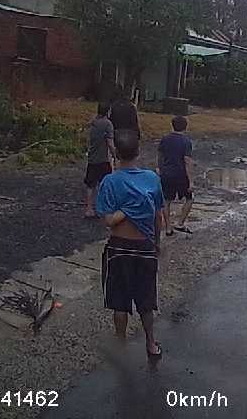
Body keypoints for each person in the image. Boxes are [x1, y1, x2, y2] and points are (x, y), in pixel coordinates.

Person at [96, 130, 165, 359]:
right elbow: (157, 216)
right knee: (146, 301)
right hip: (144, 246)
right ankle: (151, 343)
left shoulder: (110, 181)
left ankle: (120, 344)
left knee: (119, 301)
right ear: (138, 152)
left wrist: (125, 210)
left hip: (118, 248)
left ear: (116, 153)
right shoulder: (151, 178)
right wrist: (156, 243)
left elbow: (108, 220)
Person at [158, 116, 196, 235]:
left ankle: (168, 227)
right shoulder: (186, 141)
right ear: (185, 127)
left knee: (166, 200)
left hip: (166, 173)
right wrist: (191, 181)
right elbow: (187, 161)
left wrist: (160, 169)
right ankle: (180, 223)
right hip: (181, 175)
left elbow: (160, 156)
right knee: (189, 198)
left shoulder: (165, 139)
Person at [84, 103, 116, 218]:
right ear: (108, 111)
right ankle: (103, 208)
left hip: (92, 158)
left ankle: (89, 208)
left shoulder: (93, 122)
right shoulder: (108, 124)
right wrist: (115, 155)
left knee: (90, 185)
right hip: (103, 159)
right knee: (105, 185)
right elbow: (110, 143)